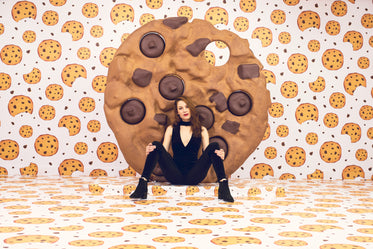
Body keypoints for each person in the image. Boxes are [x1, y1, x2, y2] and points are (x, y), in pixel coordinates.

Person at [130, 96, 234, 202]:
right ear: (177, 112)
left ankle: (224, 187)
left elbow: (207, 153)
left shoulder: (202, 130)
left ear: (191, 109)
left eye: (186, 107)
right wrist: (152, 150)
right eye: (180, 108)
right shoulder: (171, 129)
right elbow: (163, 153)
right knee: (156, 145)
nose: (184, 110)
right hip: (174, 174)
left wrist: (218, 153)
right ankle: (142, 185)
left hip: (194, 175)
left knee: (215, 146)